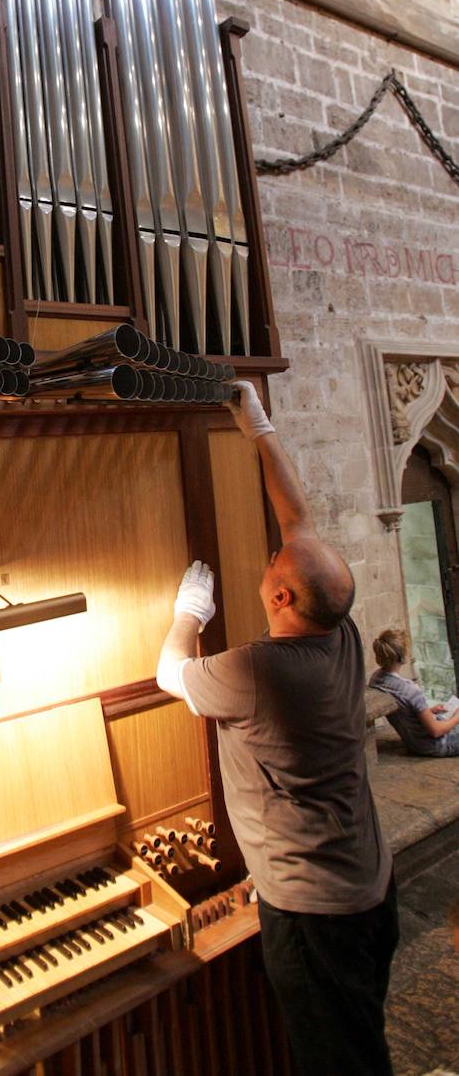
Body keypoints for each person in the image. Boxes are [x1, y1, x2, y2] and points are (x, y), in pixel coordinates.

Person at [156, 380, 397, 1076]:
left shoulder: (262, 671)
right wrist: (256, 424)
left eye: (271, 567)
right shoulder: (338, 626)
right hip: (369, 886)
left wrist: (187, 615)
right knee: (359, 1036)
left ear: (281, 596)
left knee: (341, 1064)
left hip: (314, 914)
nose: (269, 561)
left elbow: (168, 675)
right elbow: (296, 522)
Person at [369, 628, 459, 755]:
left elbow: (406, 710)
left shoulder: (376, 679)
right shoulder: (410, 690)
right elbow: (436, 731)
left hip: (414, 741)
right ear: (402, 656)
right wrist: (456, 718)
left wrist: (429, 711)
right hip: (436, 743)